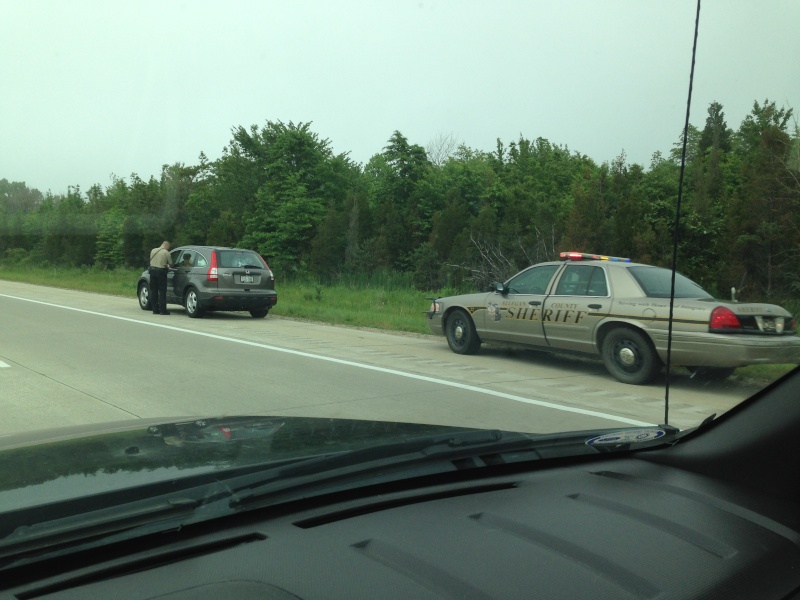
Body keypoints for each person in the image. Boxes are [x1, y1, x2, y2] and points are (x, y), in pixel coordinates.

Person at [149, 241, 173, 315]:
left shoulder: (153, 250)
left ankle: (155, 309)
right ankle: (163, 310)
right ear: (166, 246)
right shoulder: (166, 252)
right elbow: (170, 264)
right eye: (168, 247)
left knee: (154, 291)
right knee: (162, 291)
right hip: (161, 272)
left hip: (152, 271)